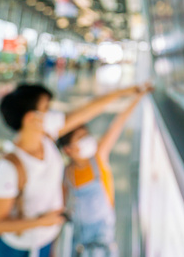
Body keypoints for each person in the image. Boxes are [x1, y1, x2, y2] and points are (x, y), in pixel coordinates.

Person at [0, 83, 146, 257]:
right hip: (18, 249)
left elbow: (86, 111)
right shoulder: (9, 167)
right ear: (30, 118)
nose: (52, 113)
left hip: (45, 242)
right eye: (47, 108)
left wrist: (123, 92)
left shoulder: (47, 139)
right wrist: (40, 222)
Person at [57, 86, 151, 257]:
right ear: (68, 149)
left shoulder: (98, 158)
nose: (87, 139)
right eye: (80, 138)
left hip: (102, 245)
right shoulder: (66, 173)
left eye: (86, 135)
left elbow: (118, 123)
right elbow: (62, 208)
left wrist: (136, 97)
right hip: (77, 244)